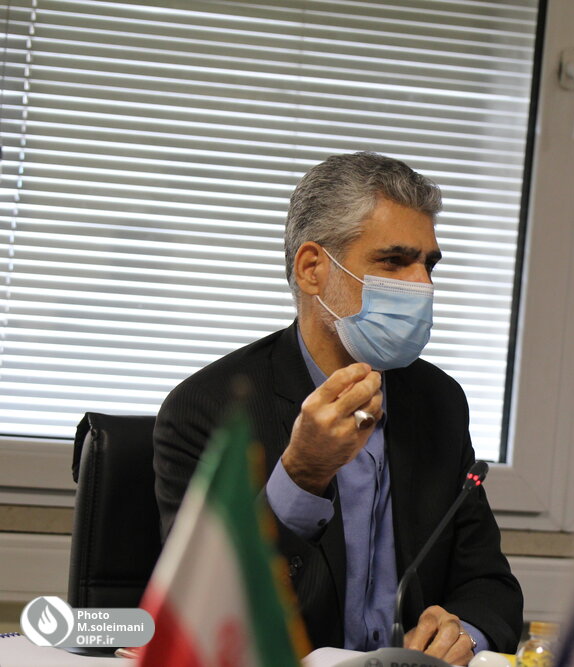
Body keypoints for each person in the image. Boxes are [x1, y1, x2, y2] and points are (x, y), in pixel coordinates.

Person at [152, 152, 523, 665]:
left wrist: (464, 633)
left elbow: (490, 585)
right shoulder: (209, 409)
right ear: (313, 269)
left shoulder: (438, 400)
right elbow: (208, 612)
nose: (423, 285)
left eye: (429, 264)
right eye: (394, 261)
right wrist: (302, 475)